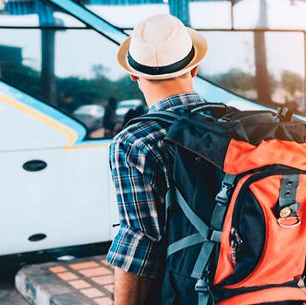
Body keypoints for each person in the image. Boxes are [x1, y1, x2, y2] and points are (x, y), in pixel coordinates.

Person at [106, 14, 209, 305]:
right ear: (195, 69)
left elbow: (139, 240)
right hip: (245, 282)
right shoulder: (229, 122)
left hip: (184, 293)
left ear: (133, 75)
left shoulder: (133, 142)